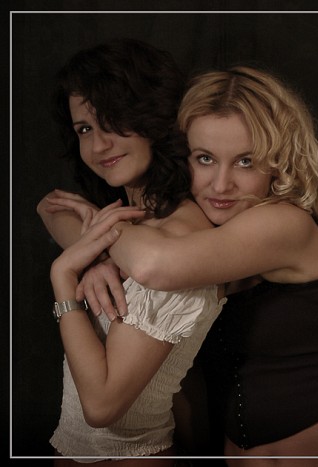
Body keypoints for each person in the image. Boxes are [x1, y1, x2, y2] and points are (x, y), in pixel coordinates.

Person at [45, 65, 318, 466]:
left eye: (246, 161)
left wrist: (88, 252)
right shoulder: (200, 233)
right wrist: (95, 256)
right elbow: (50, 210)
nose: (221, 184)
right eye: (205, 158)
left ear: (278, 162)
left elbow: (153, 265)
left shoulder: (285, 224)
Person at [36, 38, 226, 465]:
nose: (99, 145)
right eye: (85, 129)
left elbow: (101, 407)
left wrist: (65, 277)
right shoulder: (130, 221)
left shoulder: (179, 235)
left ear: (154, 117)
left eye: (113, 120)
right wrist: (98, 258)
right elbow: (49, 207)